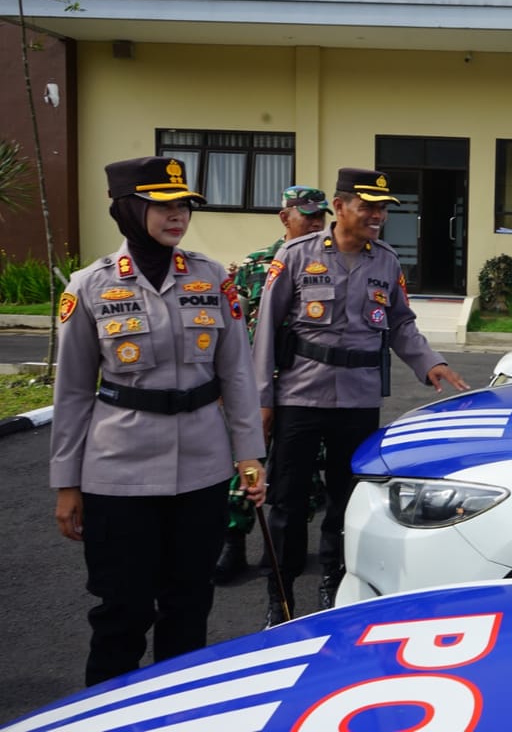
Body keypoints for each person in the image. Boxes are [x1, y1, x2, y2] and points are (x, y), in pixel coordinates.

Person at [50, 156, 266, 686]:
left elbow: (237, 374)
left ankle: (177, 708)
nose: (178, 216)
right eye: (163, 205)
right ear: (127, 207)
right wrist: (67, 483)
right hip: (117, 472)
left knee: (189, 605)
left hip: (202, 467)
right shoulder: (89, 286)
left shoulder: (213, 278)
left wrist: (250, 455)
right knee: (121, 612)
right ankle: (105, 714)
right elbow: (74, 392)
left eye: (184, 206)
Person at [253, 166, 469, 626]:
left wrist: (431, 362)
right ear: (339, 207)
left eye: (382, 209)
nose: (377, 216)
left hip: (357, 399)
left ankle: (333, 585)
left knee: (346, 501)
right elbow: (264, 331)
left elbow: (401, 323)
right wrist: (263, 401)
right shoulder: (295, 255)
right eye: (367, 206)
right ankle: (281, 598)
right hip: (300, 396)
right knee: (288, 504)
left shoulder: (386, 261)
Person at [213, 185, 332, 584]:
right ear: (285, 217)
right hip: (256, 384)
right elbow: (231, 328)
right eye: (308, 216)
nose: (317, 223)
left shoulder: (332, 260)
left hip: (305, 383)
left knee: (302, 471)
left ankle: (280, 546)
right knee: (246, 462)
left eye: (321, 217)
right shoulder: (254, 266)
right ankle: (232, 543)